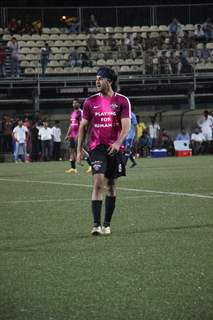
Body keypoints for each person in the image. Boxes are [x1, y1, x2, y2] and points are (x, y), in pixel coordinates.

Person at [77, 67, 131, 236]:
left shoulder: (122, 101)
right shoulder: (90, 102)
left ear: (109, 81)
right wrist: (79, 149)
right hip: (97, 147)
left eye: (100, 78)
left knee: (112, 186)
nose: (97, 81)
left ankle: (107, 223)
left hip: (116, 148)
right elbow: (83, 126)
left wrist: (118, 142)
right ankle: (96, 225)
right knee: (98, 182)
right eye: (96, 78)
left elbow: (126, 126)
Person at [64, 99, 83, 173]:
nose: (74, 104)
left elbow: (82, 125)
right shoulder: (72, 113)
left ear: (79, 104)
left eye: (76, 103)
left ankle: (91, 165)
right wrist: (67, 135)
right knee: (71, 150)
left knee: (81, 150)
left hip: (78, 135)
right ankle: (73, 168)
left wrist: (78, 134)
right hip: (72, 135)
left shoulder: (80, 112)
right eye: (73, 103)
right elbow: (71, 125)